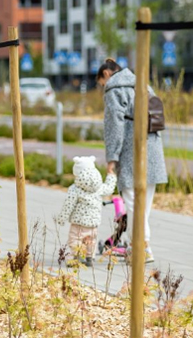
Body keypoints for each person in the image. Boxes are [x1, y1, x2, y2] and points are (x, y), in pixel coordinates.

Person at [97, 58, 166, 263]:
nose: (103, 88)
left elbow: (114, 126)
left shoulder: (114, 89)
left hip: (130, 148)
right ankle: (136, 246)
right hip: (152, 147)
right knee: (143, 203)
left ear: (107, 75)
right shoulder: (143, 83)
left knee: (132, 200)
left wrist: (112, 158)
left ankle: (142, 247)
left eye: (101, 83)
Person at [55, 155, 116, 267]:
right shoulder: (99, 188)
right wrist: (111, 175)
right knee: (91, 240)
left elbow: (68, 205)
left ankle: (77, 256)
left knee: (75, 239)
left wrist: (62, 218)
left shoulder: (75, 189)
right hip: (93, 224)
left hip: (78, 223)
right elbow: (109, 188)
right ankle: (89, 258)